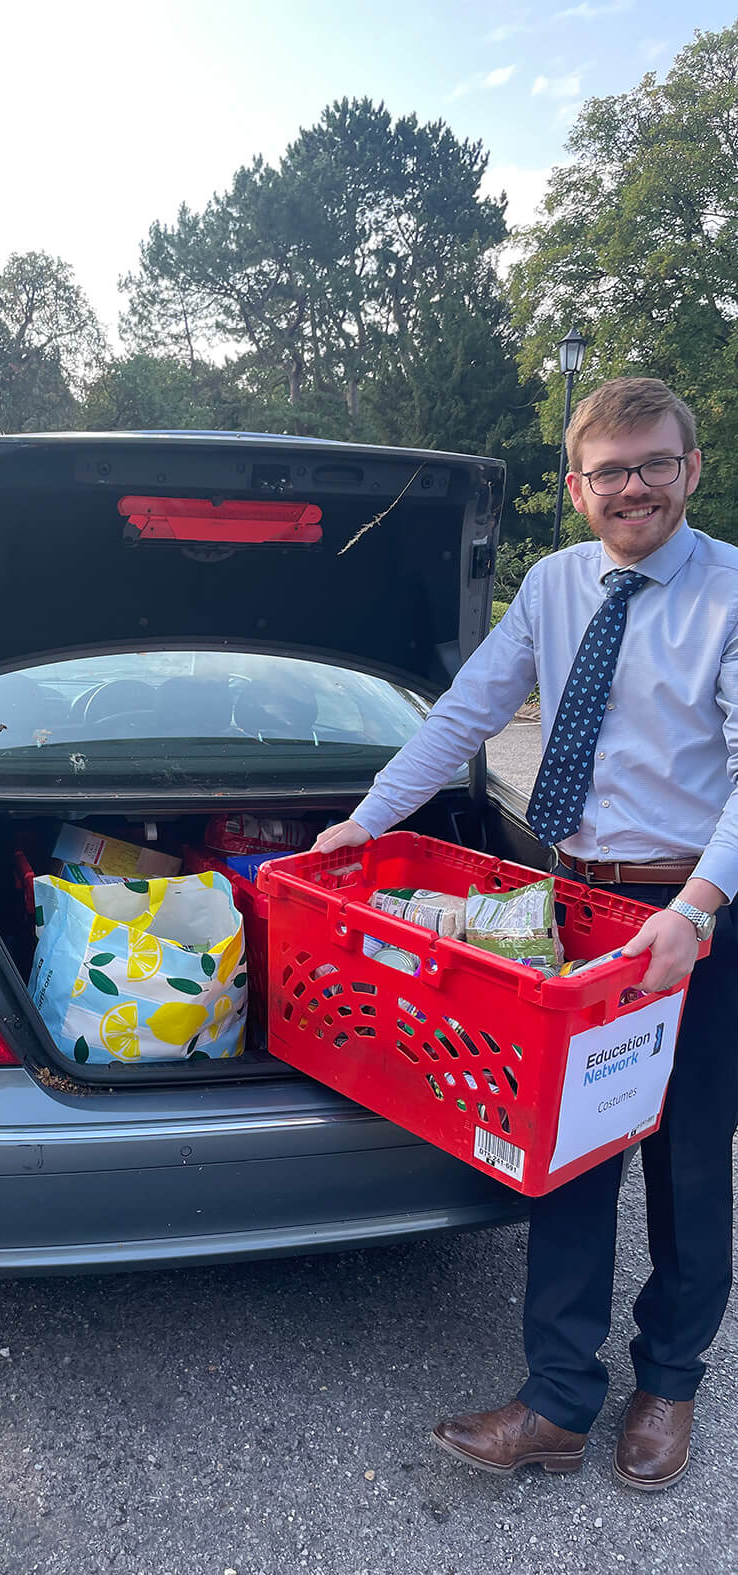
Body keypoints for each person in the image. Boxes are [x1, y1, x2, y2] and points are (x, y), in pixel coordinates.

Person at [313, 376, 738, 1492]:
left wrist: (693, 912)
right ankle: (556, 1401)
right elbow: (464, 712)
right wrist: (362, 823)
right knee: (566, 1151)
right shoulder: (553, 585)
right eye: (608, 470)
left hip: (690, 914)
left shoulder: (731, 592)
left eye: (652, 464)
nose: (631, 486)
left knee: (683, 1162)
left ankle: (670, 1382)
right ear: (575, 485)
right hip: (568, 909)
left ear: (689, 470)